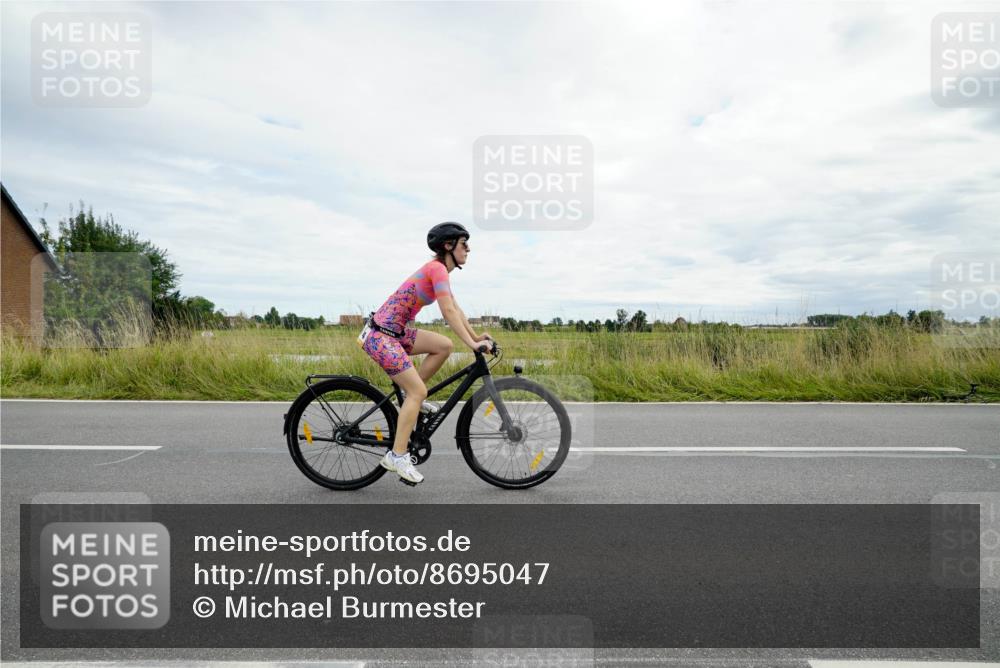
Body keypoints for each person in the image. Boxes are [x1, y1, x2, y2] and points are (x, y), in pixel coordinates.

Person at [359, 222, 493, 485]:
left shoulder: (440, 272)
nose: (469, 248)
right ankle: (397, 456)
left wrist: (476, 337)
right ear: (448, 246)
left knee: (443, 345)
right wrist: (473, 346)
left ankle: (412, 398)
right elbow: (448, 313)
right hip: (381, 336)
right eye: (464, 243)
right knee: (419, 392)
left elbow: (456, 309)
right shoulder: (437, 269)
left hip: (394, 333)